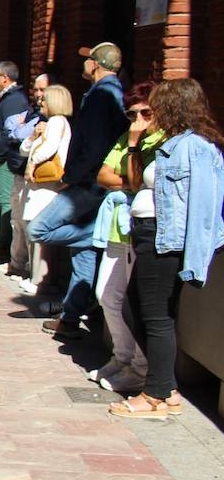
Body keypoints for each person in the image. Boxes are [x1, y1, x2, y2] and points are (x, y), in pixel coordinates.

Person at [110, 78, 224, 417]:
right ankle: (166, 386)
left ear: (173, 106)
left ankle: (156, 395)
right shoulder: (173, 143)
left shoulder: (196, 148)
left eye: (157, 105)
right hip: (149, 236)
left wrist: (197, 257)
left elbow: (205, 205)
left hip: (166, 242)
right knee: (137, 307)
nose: (151, 112)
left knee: (156, 315)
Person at [29, 42, 128, 339]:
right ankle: (70, 318)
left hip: (88, 183)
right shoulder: (111, 92)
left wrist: (73, 175)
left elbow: (95, 144)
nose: (83, 64)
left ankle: (93, 235)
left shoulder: (102, 96)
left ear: (96, 65)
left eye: (87, 60)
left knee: (39, 229)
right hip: (95, 182)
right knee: (82, 254)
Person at [89, 81, 162, 391]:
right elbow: (103, 174)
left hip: (142, 230)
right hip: (118, 226)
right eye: (132, 115)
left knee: (133, 303)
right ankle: (123, 357)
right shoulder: (126, 137)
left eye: (146, 113)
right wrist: (129, 181)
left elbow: (137, 180)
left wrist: (133, 146)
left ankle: (141, 367)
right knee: (105, 294)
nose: (138, 121)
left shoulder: (159, 142)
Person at [14, 84, 72, 294]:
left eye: (44, 100)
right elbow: (23, 149)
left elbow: (49, 149)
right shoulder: (46, 123)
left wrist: (32, 163)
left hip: (46, 185)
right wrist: (32, 137)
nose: (40, 103)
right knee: (31, 227)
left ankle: (39, 279)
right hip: (37, 186)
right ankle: (34, 273)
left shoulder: (58, 122)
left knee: (38, 230)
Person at [0, 61, 30, 262]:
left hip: (4, 160)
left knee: (6, 203)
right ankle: (4, 242)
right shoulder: (8, 98)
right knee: (1, 201)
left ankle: (5, 245)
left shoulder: (14, 99)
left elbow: (10, 133)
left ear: (5, 77)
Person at [5, 74, 51, 280]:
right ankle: (17, 264)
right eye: (37, 90)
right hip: (21, 171)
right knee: (18, 219)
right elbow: (16, 134)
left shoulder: (55, 121)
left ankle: (35, 272)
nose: (39, 95)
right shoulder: (36, 114)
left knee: (31, 222)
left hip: (39, 179)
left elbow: (22, 136)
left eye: (43, 90)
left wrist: (23, 131)